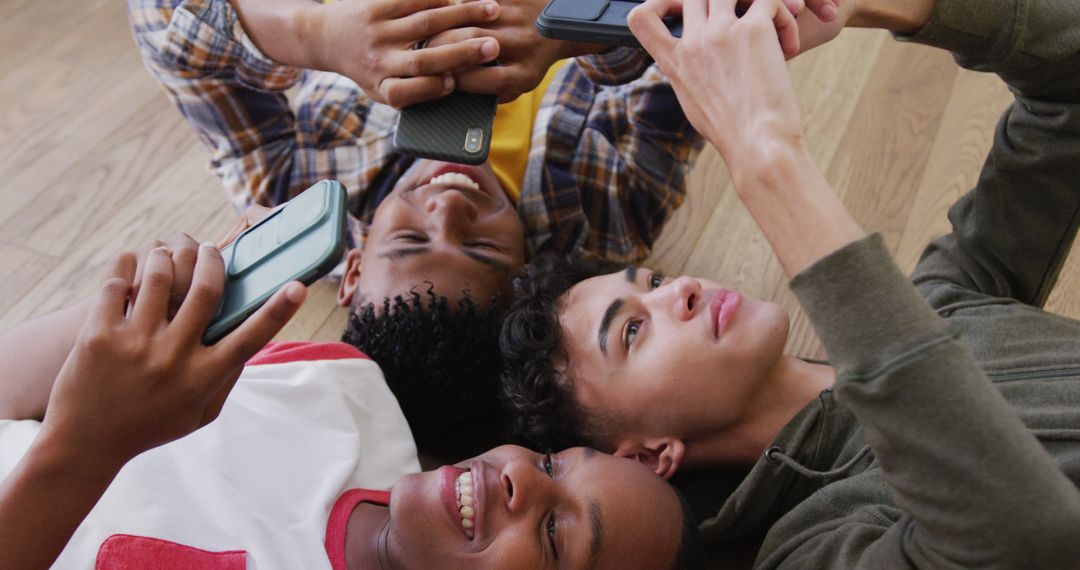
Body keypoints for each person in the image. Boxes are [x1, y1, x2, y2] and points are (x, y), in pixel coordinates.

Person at [499, 0, 1080, 565]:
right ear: (651, 455)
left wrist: (864, 7)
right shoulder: (817, 543)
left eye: (653, 280)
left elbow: (1065, 88)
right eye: (631, 331)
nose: (680, 290)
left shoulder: (944, 305)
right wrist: (761, 155)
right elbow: (1026, 537)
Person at [127, 0, 710, 459]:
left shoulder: (300, 186)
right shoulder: (606, 208)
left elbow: (160, 19)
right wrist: (566, 24)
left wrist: (314, 34)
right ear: (528, 276)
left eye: (408, 240)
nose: (447, 207)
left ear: (353, 266)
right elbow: (714, 38)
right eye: (481, 246)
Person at [0, 235, 704, 569]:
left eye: (555, 539)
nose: (522, 475)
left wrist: (83, 447)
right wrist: (135, 317)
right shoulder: (346, 386)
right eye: (552, 465)